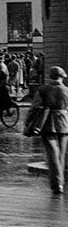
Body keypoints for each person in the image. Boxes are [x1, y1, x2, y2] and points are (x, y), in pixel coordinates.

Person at [27, 66, 68, 195]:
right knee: (61, 154)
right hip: (64, 124)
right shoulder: (67, 90)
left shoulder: (43, 90)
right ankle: (60, 182)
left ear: (50, 76)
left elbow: (34, 107)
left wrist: (28, 122)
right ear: (62, 77)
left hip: (47, 123)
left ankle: (57, 183)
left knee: (52, 153)